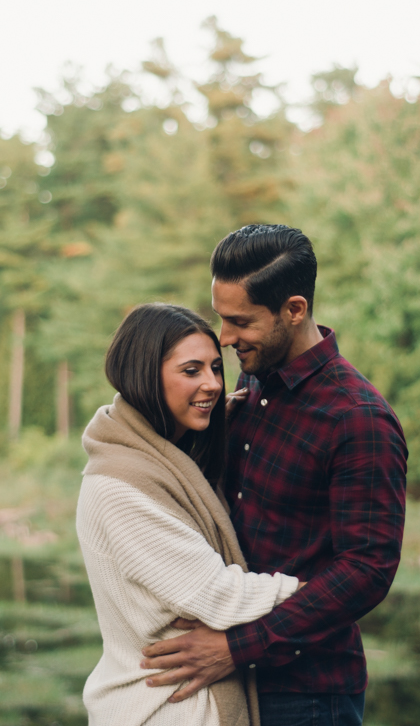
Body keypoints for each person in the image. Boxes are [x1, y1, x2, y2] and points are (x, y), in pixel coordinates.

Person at [139, 225, 409, 726]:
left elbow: (366, 571)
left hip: (307, 694)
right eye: (222, 318)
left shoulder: (357, 418)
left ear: (295, 309)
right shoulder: (251, 381)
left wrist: (236, 647)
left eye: (241, 321)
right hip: (233, 682)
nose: (225, 337)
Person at [78, 302, 303, 726]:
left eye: (216, 368)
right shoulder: (121, 485)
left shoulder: (163, 461)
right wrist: (317, 592)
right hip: (164, 708)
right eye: (191, 370)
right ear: (145, 375)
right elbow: (218, 595)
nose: (213, 384)